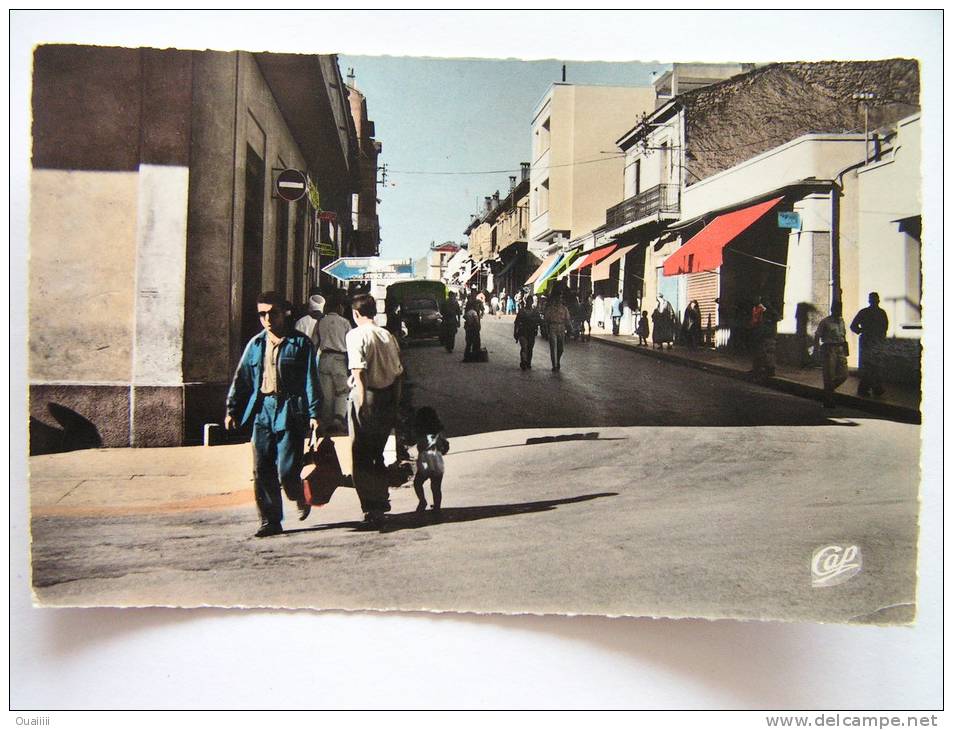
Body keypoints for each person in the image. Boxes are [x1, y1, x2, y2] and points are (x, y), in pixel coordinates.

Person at [226, 292, 320, 538]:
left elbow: (311, 379)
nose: (267, 319)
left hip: (290, 409)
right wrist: (232, 409)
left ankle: (297, 493)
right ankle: (270, 521)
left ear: (284, 313)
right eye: (262, 314)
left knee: (287, 470)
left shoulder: (301, 344)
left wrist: (314, 414)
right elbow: (242, 378)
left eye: (272, 313)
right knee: (262, 467)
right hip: (263, 410)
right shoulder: (256, 344)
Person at [346, 293, 405, 527]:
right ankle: (381, 499)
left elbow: (358, 371)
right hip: (387, 397)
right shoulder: (387, 336)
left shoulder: (355, 335)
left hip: (367, 397)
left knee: (360, 455)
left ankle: (370, 507)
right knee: (377, 452)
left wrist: (362, 403)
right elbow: (399, 373)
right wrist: (396, 403)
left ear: (355, 313)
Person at [316, 292, 353, 434]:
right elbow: (350, 344)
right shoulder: (344, 322)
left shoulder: (321, 321)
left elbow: (315, 341)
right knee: (342, 391)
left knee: (326, 393)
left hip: (324, 358)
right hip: (339, 358)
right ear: (339, 307)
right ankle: (338, 419)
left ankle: (325, 423)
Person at [411, 406, 450, 514]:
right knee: (436, 487)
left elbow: (416, 444)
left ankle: (422, 501)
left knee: (418, 482)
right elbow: (445, 446)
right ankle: (437, 507)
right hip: (437, 460)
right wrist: (441, 451)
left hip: (425, 461)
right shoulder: (438, 433)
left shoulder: (419, 434)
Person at [850, 292, 889, 397]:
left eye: (875, 299)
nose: (874, 302)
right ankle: (867, 388)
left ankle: (874, 388)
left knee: (875, 366)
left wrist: (879, 337)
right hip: (868, 342)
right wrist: (863, 331)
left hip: (875, 342)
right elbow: (853, 326)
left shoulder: (880, 313)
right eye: (873, 299)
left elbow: (885, 327)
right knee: (869, 366)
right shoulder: (867, 312)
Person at [814, 300, 849, 408]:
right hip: (829, 349)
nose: (839, 311)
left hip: (840, 348)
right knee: (829, 375)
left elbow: (843, 335)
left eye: (840, 308)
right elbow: (817, 335)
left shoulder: (842, 321)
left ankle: (828, 391)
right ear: (832, 309)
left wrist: (845, 348)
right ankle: (828, 400)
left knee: (844, 374)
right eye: (837, 309)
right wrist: (816, 349)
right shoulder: (825, 322)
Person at [514, 294, 543, 370]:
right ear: (526, 302)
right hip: (522, 332)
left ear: (532, 302)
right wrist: (515, 332)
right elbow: (516, 322)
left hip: (531, 333)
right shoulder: (521, 311)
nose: (529, 303)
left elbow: (540, 321)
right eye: (528, 301)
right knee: (524, 347)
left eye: (530, 301)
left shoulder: (535, 312)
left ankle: (528, 362)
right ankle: (524, 361)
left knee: (530, 348)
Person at [544, 293, 572, 371]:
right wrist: (546, 330)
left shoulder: (564, 309)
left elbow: (567, 319)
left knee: (561, 348)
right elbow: (546, 319)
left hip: (561, 328)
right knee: (553, 347)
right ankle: (554, 365)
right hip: (553, 327)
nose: (559, 300)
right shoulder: (550, 309)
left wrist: (570, 328)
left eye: (560, 299)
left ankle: (558, 360)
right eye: (557, 299)